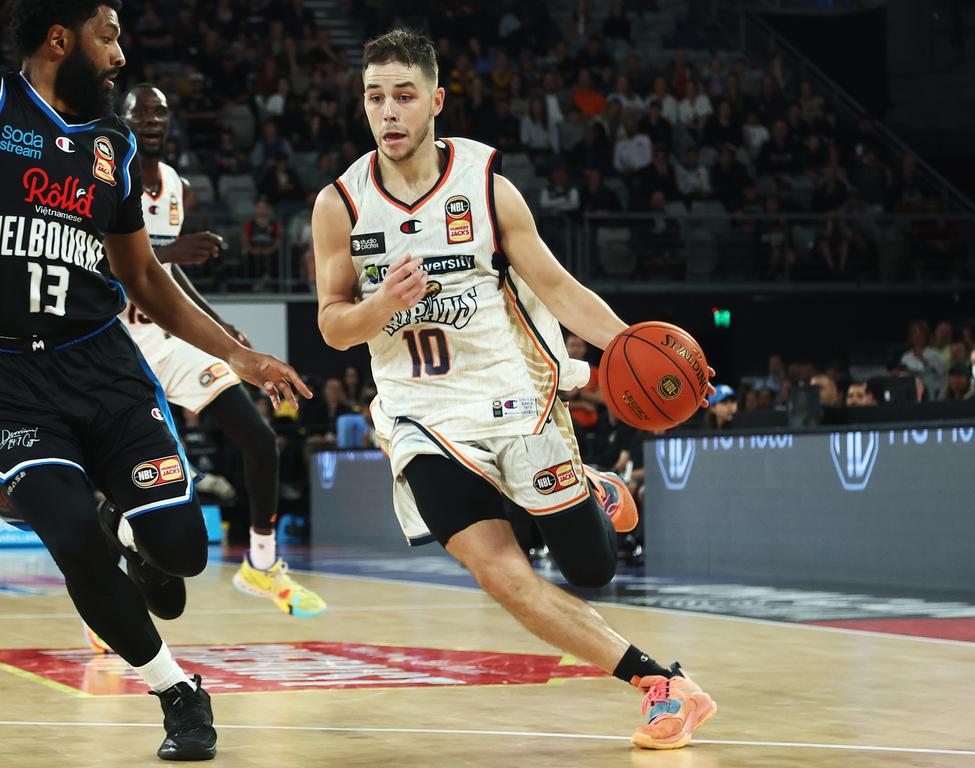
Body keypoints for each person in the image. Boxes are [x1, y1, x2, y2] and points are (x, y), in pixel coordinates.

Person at [312, 28, 717, 750]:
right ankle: (663, 685)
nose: (389, 112)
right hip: (421, 414)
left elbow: (558, 288)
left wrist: (637, 351)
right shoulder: (340, 204)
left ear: (436, 100)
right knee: (497, 573)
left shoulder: (487, 187)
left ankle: (590, 489)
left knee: (590, 570)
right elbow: (334, 328)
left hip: (517, 398)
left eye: (405, 95)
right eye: (376, 97)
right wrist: (381, 308)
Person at [0, 1, 308, 760]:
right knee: (72, 540)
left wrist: (244, 356)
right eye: (108, 37)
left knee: (183, 551)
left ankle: (134, 535)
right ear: (58, 39)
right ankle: (178, 692)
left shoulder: (115, 144)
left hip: (103, 361)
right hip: (13, 374)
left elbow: (142, 276)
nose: (120, 55)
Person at [116, 84, 325, 620]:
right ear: (122, 120)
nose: (152, 121)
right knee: (133, 483)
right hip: (112, 346)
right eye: (141, 113)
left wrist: (222, 330)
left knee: (259, 437)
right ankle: (113, 593)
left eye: (160, 113)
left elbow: (173, 275)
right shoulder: (104, 174)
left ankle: (260, 562)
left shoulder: (178, 188)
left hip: (167, 338)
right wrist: (166, 252)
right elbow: (101, 259)